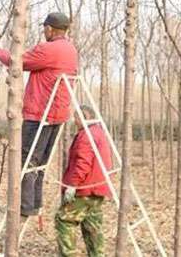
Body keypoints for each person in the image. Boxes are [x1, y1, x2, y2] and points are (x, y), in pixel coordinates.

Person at [0, 12, 78, 217]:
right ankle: (35, 203)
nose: (43, 32)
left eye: (45, 28)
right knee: (40, 162)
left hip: (40, 113)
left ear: (50, 29)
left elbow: (17, 62)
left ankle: (25, 206)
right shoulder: (71, 49)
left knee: (27, 160)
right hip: (58, 113)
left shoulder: (49, 49)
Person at [55, 105, 112, 257]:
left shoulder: (86, 135)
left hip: (85, 189)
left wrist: (72, 185)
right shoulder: (99, 132)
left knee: (64, 220)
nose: (75, 122)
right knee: (92, 226)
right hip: (98, 190)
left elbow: (83, 163)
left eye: (77, 118)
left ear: (84, 117)